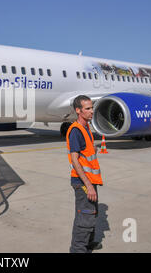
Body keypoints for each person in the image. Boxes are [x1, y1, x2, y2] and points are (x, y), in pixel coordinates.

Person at [67, 95, 103, 253]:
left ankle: (88, 243)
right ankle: (78, 249)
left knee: (92, 212)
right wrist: (88, 186)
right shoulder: (75, 130)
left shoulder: (86, 126)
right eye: (87, 108)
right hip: (82, 181)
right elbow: (75, 159)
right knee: (85, 216)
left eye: (92, 107)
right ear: (78, 110)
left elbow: (85, 151)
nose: (92, 111)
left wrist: (93, 148)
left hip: (90, 179)